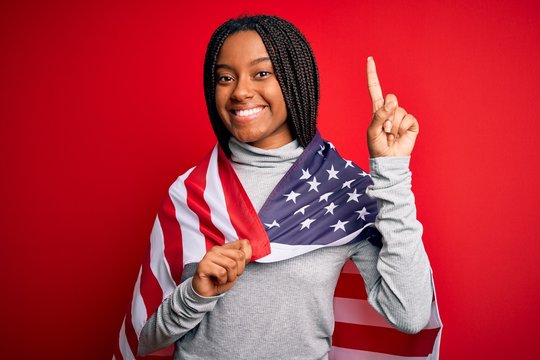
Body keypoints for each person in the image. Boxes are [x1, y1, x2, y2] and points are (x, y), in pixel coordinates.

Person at [116, 15, 435, 360]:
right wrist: (195, 294)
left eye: (261, 73)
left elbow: (410, 313)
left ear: (296, 80)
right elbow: (146, 338)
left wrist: (392, 172)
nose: (240, 91)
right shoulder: (191, 192)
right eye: (225, 77)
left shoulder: (341, 190)